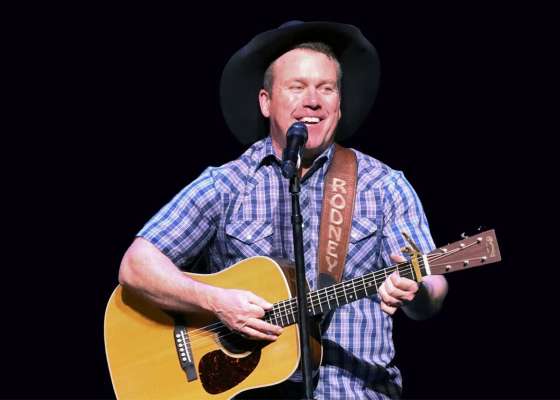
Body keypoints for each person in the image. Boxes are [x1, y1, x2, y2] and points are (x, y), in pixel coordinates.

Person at [118, 21, 448, 399]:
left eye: (326, 88)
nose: (313, 100)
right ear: (266, 102)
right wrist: (216, 302)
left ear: (339, 105)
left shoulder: (383, 186)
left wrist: (418, 291)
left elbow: (433, 283)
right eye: (297, 87)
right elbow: (136, 265)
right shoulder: (228, 185)